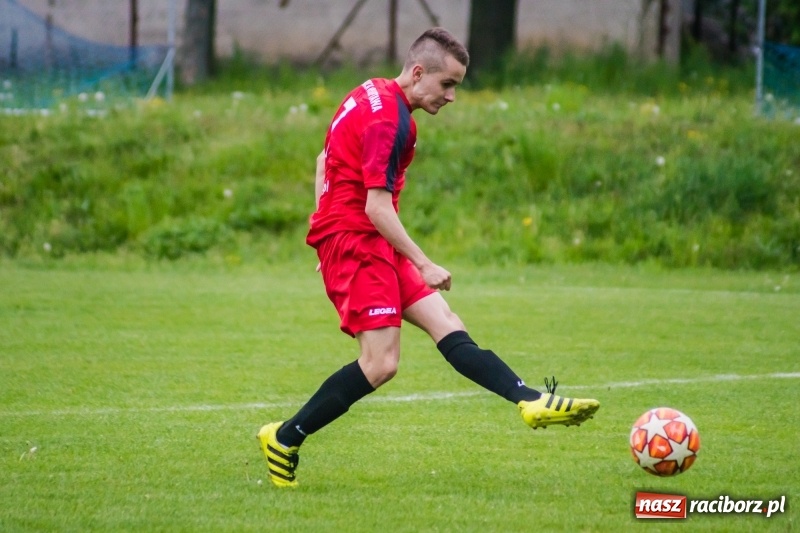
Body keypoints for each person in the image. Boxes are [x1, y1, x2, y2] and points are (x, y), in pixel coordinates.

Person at [257, 27, 600, 488]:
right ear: (418, 73)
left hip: (364, 238)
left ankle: (530, 400)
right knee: (381, 364)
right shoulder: (390, 121)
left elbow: (325, 160)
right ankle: (285, 437)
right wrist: (422, 261)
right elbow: (375, 206)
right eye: (448, 84)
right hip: (358, 243)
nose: (453, 96)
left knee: (447, 323)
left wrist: (321, 224)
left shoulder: (368, 92)